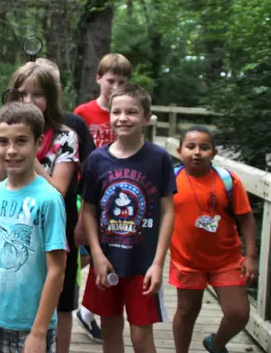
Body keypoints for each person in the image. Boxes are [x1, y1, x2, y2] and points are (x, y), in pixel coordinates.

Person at [0, 60, 87, 352]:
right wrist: (10, 145)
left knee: (61, 298)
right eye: (22, 93)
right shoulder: (1, 133)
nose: (29, 100)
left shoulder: (66, 136)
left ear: (50, 97)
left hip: (53, 228)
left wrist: (30, 156)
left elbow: (59, 189)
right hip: (9, 225)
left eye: (37, 94)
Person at [0, 102, 68, 352]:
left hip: (34, 325)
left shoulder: (49, 199)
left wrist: (38, 333)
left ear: (39, 144)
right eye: (3, 142)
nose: (11, 150)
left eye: (21, 141)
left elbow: (57, 270)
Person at [78, 83, 176, 353]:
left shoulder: (159, 159)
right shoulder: (97, 159)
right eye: (116, 112)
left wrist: (158, 263)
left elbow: (168, 210)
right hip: (106, 262)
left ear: (146, 118)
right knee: (109, 330)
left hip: (142, 264)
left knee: (141, 336)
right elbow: (88, 209)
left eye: (131, 112)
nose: (122, 118)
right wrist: (96, 255)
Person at [170, 126, 257, 353]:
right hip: (186, 260)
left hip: (226, 259)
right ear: (180, 151)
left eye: (204, 147)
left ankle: (216, 344)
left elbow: (246, 218)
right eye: (191, 147)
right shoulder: (170, 180)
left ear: (214, 153)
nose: (197, 152)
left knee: (238, 313)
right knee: (186, 311)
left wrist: (251, 256)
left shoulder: (228, 181)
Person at [73, 53, 132, 340]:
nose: (115, 86)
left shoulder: (126, 114)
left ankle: (86, 310)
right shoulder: (84, 113)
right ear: (99, 78)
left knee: (109, 253)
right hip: (87, 194)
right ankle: (80, 303)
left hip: (120, 197)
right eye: (111, 80)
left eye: (122, 81)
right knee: (82, 249)